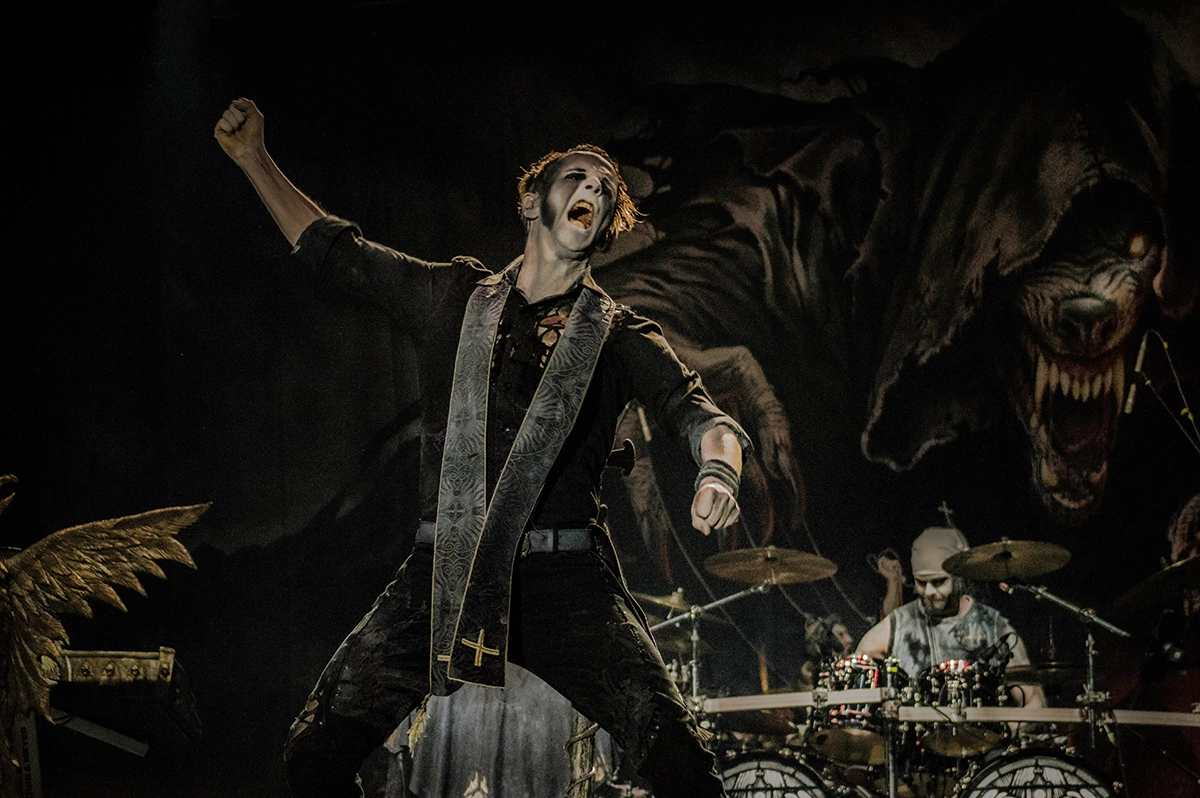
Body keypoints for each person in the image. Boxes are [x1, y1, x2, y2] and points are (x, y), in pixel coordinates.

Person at [214, 98, 749, 798]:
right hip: (444, 573)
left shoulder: (621, 335)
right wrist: (255, 158)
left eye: (605, 190)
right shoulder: (453, 296)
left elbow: (703, 416)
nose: (592, 189)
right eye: (577, 177)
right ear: (533, 201)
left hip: (569, 585)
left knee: (685, 772)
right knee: (312, 754)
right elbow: (340, 256)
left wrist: (718, 472)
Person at [855, 526, 1045, 710]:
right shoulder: (900, 624)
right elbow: (858, 665)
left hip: (986, 740)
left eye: (938, 581)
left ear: (960, 575)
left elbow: (1035, 702)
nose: (929, 592)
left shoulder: (993, 627)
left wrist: (1007, 729)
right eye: (921, 582)